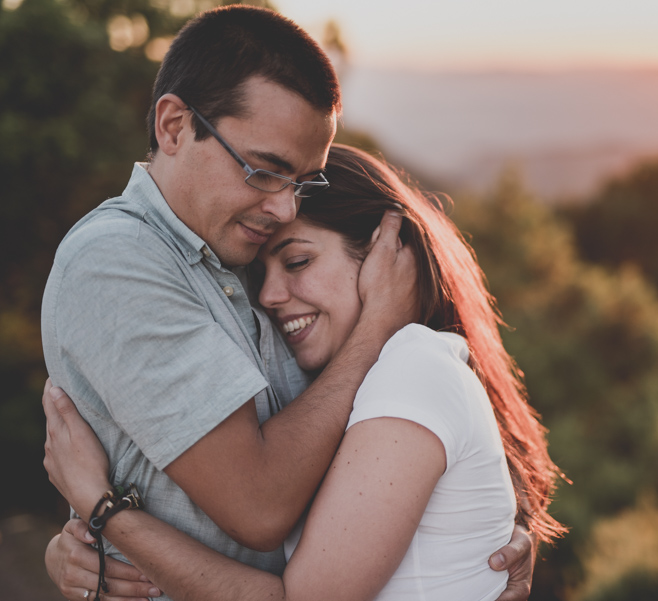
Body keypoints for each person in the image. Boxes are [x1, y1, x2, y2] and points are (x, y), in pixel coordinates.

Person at [40, 5, 536, 600]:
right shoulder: (116, 261)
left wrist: (470, 531)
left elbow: (348, 461)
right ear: (173, 127)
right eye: (263, 170)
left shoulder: (235, 253)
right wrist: (377, 326)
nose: (283, 207)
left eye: (302, 182)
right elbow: (258, 503)